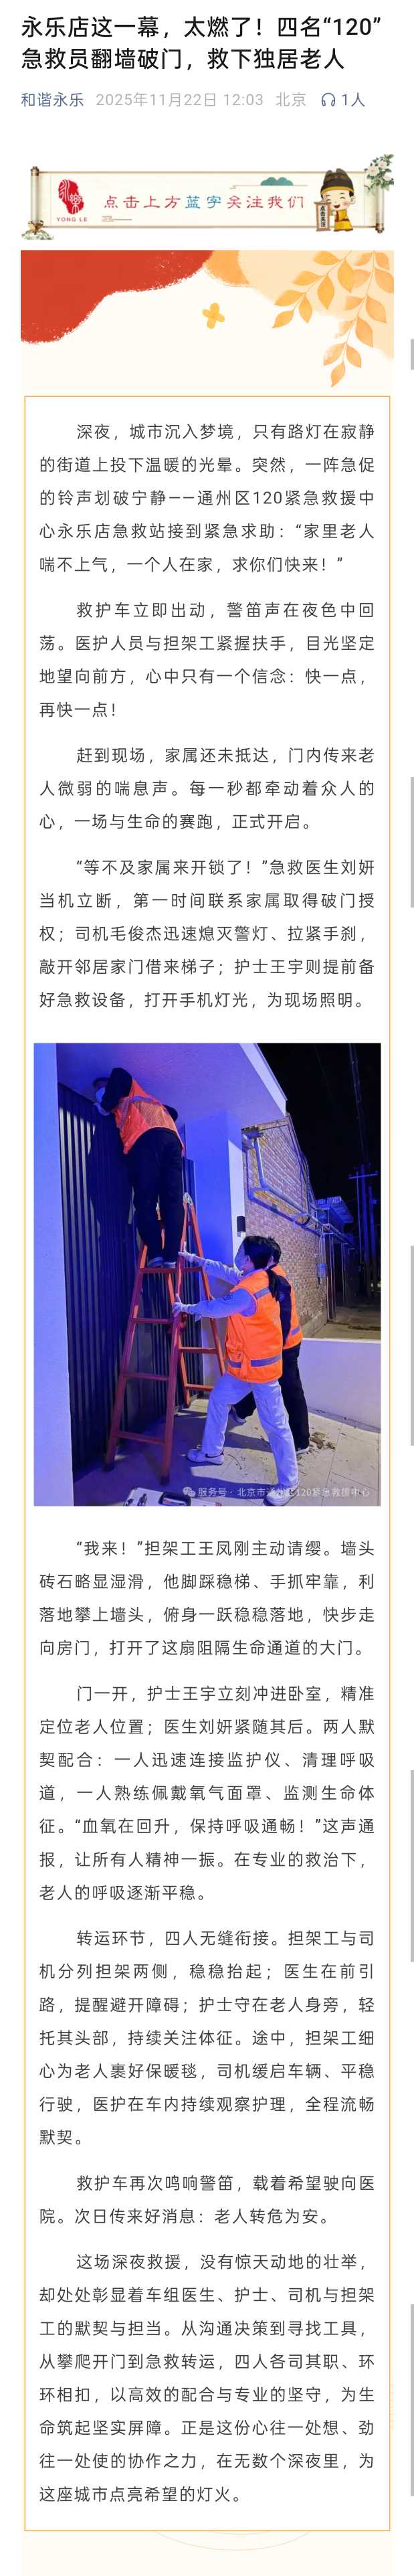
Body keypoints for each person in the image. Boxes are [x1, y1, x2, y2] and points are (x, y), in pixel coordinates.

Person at [174, 1233, 299, 1507]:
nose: (239, 1255)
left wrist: (186, 1308)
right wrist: (195, 1259)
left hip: (262, 1372)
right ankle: (212, 1453)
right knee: (219, 1399)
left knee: (276, 1426)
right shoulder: (257, 1277)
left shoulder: (249, 1291)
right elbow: (225, 1271)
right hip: (244, 1368)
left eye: (243, 1252)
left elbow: (218, 1307)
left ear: (251, 1260)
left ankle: (289, 1483)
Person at [92, 1068, 185, 1265]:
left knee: (146, 1200)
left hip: (145, 1141)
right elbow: (174, 1113)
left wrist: (105, 1106)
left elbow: (119, 1074)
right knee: (172, 1200)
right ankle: (171, 1256)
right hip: (173, 1143)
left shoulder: (129, 1092)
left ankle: (156, 1253)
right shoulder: (152, 1103)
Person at [230, 1236, 310, 1454]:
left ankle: (301, 1440)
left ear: (270, 1258)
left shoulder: (277, 1280)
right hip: (279, 1346)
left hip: (285, 1347)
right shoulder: (267, 1275)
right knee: (261, 1381)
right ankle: (241, 1411)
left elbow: (283, 1319)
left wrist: (275, 1349)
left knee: (290, 1389)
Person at [320, 167, 354, 232]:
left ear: (352, 199)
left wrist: (335, 213)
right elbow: (329, 213)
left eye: (342, 197)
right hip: (337, 225)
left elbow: (342, 215)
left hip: (345, 224)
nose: (335, 202)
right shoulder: (333, 210)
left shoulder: (342, 211)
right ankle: (338, 229)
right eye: (329, 199)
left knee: (345, 226)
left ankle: (346, 228)